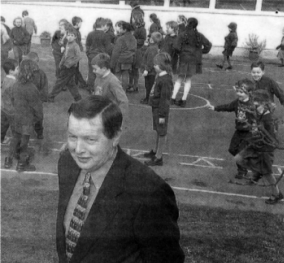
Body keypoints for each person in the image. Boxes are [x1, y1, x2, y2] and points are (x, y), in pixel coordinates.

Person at [56, 95, 185, 263]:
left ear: (116, 137)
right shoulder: (67, 163)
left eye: (90, 139)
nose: (78, 149)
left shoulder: (149, 193)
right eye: (73, 137)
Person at [234, 90, 283, 204]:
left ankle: (276, 194)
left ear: (264, 103)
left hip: (265, 149)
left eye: (256, 103)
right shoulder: (259, 113)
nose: (253, 105)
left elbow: (271, 138)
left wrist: (259, 135)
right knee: (238, 159)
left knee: (267, 173)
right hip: (256, 144)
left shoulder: (269, 119)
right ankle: (258, 172)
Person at [207, 79, 255, 179]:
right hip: (239, 131)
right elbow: (228, 107)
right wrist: (215, 108)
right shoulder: (237, 102)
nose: (238, 94)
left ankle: (242, 171)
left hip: (249, 133)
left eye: (241, 92)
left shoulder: (253, 105)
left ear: (249, 93)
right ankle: (246, 162)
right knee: (232, 149)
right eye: (237, 91)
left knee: (240, 153)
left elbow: (260, 117)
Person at [4, 59, 43, 171]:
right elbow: (37, 107)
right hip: (27, 119)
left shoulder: (15, 85)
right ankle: (22, 164)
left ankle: (8, 160)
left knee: (15, 138)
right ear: (30, 74)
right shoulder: (32, 88)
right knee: (24, 143)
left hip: (15, 118)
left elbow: (10, 98)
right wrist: (38, 119)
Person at [172, 17, 212, 107]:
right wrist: (201, 52)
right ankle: (183, 100)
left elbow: (176, 46)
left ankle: (173, 98)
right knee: (188, 79)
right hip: (194, 59)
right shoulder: (199, 35)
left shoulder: (183, 34)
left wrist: (180, 52)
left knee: (180, 78)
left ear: (188, 24)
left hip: (184, 58)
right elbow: (208, 45)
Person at [144, 52, 173, 166]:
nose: (154, 66)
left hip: (161, 111)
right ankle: (156, 151)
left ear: (162, 66)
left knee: (161, 132)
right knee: (157, 130)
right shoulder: (160, 76)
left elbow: (165, 99)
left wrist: (162, 115)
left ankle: (158, 157)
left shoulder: (165, 80)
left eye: (156, 64)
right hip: (156, 108)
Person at [91, 53, 129, 120]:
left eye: (95, 69)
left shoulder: (113, 81)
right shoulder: (98, 78)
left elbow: (124, 101)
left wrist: (115, 118)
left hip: (109, 118)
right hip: (99, 116)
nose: (93, 71)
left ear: (104, 69)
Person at [86, 17, 112, 91]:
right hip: (101, 57)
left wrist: (88, 53)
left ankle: (90, 88)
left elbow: (87, 45)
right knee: (100, 73)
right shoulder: (106, 35)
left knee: (91, 71)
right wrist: (107, 56)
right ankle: (99, 87)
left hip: (91, 55)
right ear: (103, 25)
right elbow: (108, 48)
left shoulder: (90, 34)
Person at [110, 21, 137, 91]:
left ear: (125, 30)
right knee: (126, 75)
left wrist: (112, 63)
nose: (120, 29)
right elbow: (134, 49)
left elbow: (116, 52)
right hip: (129, 59)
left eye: (121, 28)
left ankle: (115, 89)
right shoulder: (133, 38)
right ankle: (124, 90)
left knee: (117, 74)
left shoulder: (121, 39)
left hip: (120, 59)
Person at [140, 31, 162, 104]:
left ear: (153, 39)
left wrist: (146, 70)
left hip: (150, 71)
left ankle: (148, 99)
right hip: (151, 70)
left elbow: (150, 60)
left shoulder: (152, 48)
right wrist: (145, 45)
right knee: (149, 85)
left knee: (149, 85)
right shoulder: (152, 47)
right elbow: (145, 54)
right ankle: (148, 98)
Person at [127, 11, 146, 93]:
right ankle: (130, 84)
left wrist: (132, 40)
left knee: (135, 69)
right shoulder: (135, 28)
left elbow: (142, 40)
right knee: (130, 69)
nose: (133, 20)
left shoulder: (142, 29)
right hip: (132, 51)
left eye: (134, 18)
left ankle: (135, 86)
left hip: (137, 51)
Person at [1, 59, 18, 144]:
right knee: (15, 126)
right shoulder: (15, 83)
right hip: (12, 109)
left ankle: (1, 139)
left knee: (3, 125)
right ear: (11, 71)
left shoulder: (5, 79)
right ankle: (17, 142)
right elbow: (15, 97)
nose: (19, 70)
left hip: (4, 107)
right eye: (17, 68)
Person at [71, 16, 88, 90]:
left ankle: (76, 83)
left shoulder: (77, 31)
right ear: (77, 23)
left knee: (75, 68)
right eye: (80, 23)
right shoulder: (73, 31)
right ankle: (82, 84)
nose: (81, 24)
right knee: (74, 69)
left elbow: (79, 41)